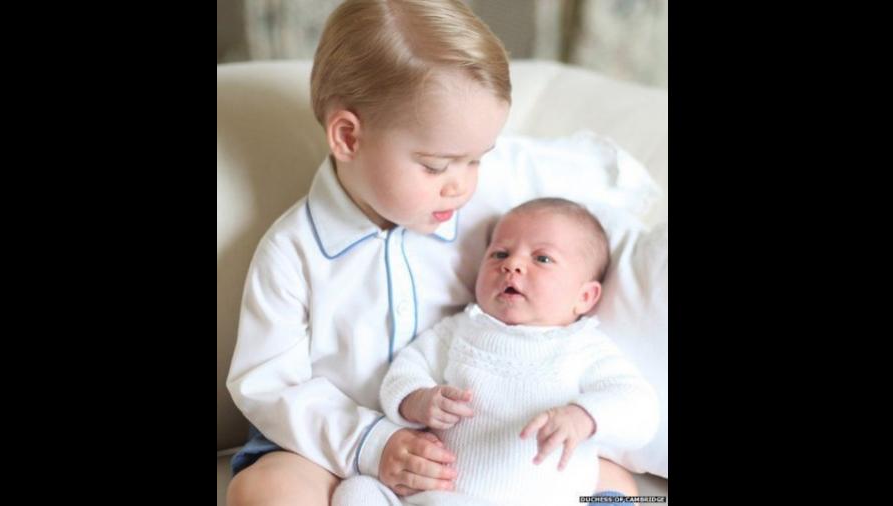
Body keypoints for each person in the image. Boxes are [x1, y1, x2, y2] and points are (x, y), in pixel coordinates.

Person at [225, 1, 645, 504]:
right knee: (264, 490)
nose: (460, 185)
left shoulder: (494, 201)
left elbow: (601, 176)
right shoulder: (293, 252)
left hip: (480, 445)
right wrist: (373, 443)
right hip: (332, 446)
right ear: (348, 137)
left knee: (618, 486)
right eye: (435, 166)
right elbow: (269, 384)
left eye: (476, 160)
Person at [331, 198, 659, 506]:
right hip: (439, 498)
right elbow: (404, 370)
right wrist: (416, 400)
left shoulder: (584, 347)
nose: (512, 264)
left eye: (542, 258)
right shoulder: (459, 330)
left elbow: (640, 408)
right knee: (356, 491)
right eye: (499, 254)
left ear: (584, 297)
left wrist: (584, 417)